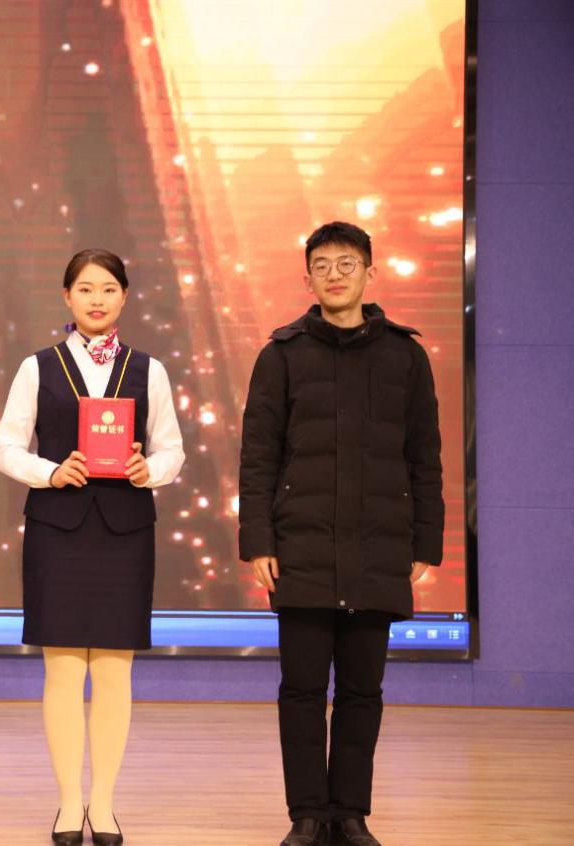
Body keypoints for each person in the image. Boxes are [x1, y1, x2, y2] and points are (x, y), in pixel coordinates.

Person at [238, 221, 444, 846]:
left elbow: (425, 456)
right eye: (322, 265)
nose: (334, 274)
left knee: (362, 691)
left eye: (346, 263)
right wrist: (259, 540)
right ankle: (307, 814)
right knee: (301, 691)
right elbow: (258, 457)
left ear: (369, 273)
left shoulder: (406, 356)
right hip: (300, 548)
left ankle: (350, 814)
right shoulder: (281, 355)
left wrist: (425, 543)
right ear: (308, 279)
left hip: (379, 547)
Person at [0, 249, 185, 846]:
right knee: (63, 671)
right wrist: (50, 472)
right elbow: (5, 447)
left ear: (124, 296)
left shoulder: (149, 370)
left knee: (115, 673)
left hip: (125, 532)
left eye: (107, 289)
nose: (96, 299)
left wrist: (148, 470)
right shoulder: (37, 367)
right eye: (85, 289)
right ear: (67, 297)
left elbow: (172, 450)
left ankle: (104, 804)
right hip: (57, 531)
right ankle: (69, 804)